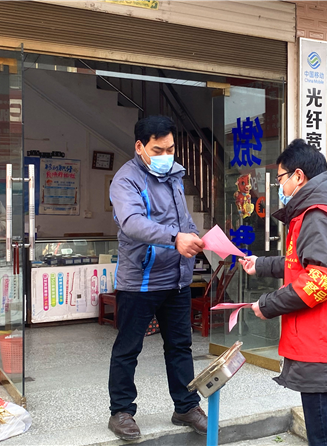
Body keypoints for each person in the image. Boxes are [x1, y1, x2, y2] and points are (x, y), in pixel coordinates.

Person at [239, 139, 327, 446]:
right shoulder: (326, 209)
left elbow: (321, 277)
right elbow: (299, 262)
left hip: (326, 350)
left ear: (299, 176)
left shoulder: (316, 215)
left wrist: (267, 305)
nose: (280, 187)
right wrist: (260, 265)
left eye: (282, 179)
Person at [108, 116, 207, 440]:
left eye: (171, 148)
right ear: (140, 147)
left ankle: (186, 406)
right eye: (158, 149)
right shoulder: (126, 180)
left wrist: (194, 236)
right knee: (128, 348)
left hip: (176, 279)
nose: (167, 155)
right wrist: (175, 237)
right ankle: (121, 411)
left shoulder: (175, 176)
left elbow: (183, 220)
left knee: (180, 346)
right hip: (140, 281)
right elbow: (132, 223)